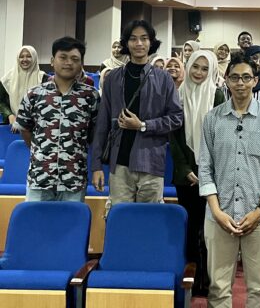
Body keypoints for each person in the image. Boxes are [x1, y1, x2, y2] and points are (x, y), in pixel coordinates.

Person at [198, 54, 260, 308]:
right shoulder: (212, 119)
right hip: (219, 215)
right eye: (235, 77)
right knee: (218, 289)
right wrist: (217, 211)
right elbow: (205, 168)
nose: (240, 83)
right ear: (226, 80)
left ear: (255, 81)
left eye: (246, 78)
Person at [91, 20, 183, 204]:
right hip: (120, 163)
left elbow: (176, 118)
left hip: (150, 162)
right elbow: (102, 123)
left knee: (149, 217)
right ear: (126, 43)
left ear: (151, 43)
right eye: (133, 39)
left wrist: (142, 125)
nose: (139, 43)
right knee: (120, 216)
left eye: (144, 38)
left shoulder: (163, 78)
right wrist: (96, 166)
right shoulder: (113, 78)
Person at [16, 37, 99, 201]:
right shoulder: (34, 94)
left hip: (74, 179)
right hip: (40, 177)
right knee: (34, 218)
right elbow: (25, 128)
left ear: (81, 64)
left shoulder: (91, 96)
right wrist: (41, 151)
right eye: (63, 57)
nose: (68, 62)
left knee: (73, 218)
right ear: (52, 61)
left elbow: (95, 133)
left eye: (74, 59)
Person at [170, 50, 225, 296]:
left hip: (212, 173)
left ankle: (211, 279)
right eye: (195, 67)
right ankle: (193, 279)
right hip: (185, 175)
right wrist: (185, 169)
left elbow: (222, 137)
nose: (199, 72)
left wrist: (207, 170)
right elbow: (174, 138)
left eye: (205, 68)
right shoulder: (177, 96)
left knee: (211, 228)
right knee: (191, 228)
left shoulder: (218, 95)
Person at [0, 45, 47, 126]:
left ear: (34, 58)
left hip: (38, 125)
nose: (25, 59)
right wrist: (9, 115)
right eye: (21, 57)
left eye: (29, 56)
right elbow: (1, 101)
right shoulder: (7, 79)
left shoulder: (43, 78)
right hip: (12, 126)